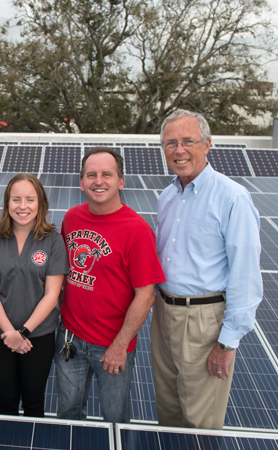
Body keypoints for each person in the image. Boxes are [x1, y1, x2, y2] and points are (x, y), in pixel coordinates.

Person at [152, 109, 262, 430]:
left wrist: (227, 343)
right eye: (170, 143)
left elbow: (246, 275)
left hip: (204, 321)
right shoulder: (168, 195)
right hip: (164, 313)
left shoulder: (232, 197)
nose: (179, 150)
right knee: (168, 413)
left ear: (207, 144)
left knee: (200, 422)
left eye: (188, 141)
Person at [55, 147, 165, 423]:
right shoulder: (71, 218)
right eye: (91, 175)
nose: (98, 181)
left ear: (121, 181)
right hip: (70, 339)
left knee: (114, 419)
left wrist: (120, 345)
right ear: (81, 183)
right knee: (68, 414)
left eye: (107, 174)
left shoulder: (137, 230)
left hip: (112, 346)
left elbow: (145, 296)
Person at [0, 174, 67, 417]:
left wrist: (23, 333)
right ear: (7, 202)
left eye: (30, 199)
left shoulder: (53, 240)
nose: (23, 206)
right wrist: (10, 333)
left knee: (33, 403)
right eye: (16, 199)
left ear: (41, 203)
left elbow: (52, 294)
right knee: (6, 402)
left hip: (38, 336)